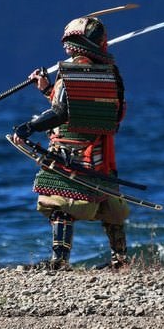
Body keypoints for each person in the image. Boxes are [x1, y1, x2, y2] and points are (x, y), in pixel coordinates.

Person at [12, 15, 130, 270]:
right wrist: (46, 88)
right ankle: (120, 260)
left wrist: (30, 127)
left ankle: (59, 261)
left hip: (71, 148)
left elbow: (63, 112)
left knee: (60, 202)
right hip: (100, 147)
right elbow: (112, 111)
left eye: (71, 42)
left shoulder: (72, 72)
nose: (66, 46)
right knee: (108, 202)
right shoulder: (111, 72)